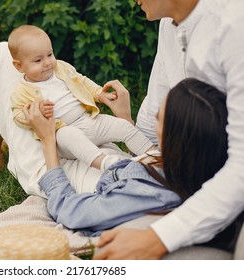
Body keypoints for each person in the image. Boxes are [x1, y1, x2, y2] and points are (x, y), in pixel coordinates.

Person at [93, 0, 244, 259]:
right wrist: (125, 126)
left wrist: (158, 238)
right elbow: (154, 123)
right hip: (195, 183)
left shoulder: (234, 25)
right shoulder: (169, 26)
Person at [21, 78, 230, 242]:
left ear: (173, 139)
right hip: (111, 163)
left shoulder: (147, 194)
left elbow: (71, 211)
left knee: (4, 56)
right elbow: (138, 166)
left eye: (158, 118)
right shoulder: (189, 163)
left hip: (65, 172)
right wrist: (124, 119)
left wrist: (48, 140)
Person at [8, 25, 154, 169]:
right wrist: (36, 112)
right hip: (62, 133)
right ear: (19, 66)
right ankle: (107, 163)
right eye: (38, 60)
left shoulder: (61, 67)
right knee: (72, 136)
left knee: (123, 126)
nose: (47, 63)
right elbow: (18, 116)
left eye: (50, 54)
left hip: (88, 119)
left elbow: (81, 81)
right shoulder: (22, 91)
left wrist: (98, 93)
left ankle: (155, 156)